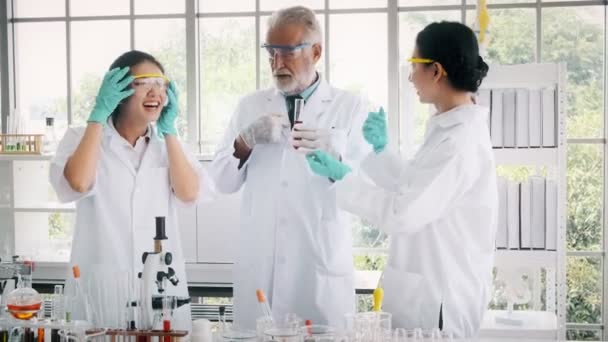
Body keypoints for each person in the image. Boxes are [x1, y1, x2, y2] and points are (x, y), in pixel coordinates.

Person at [306, 21, 497, 337]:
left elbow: (403, 213)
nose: (410, 76)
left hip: (439, 303)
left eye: (414, 65)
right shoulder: (447, 128)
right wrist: (380, 152)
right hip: (423, 292)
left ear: (436, 71)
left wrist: (343, 178)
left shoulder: (459, 142)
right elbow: (415, 186)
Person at [209, 6, 371, 329]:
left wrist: (335, 154)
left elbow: (368, 187)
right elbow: (220, 180)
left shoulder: (350, 108)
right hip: (260, 271)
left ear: (316, 51)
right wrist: (245, 142)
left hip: (317, 271)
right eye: (271, 52)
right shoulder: (250, 106)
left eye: (288, 52)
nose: (277, 63)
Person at [50, 50, 212, 331]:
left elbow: (188, 193)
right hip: (101, 284)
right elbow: (78, 182)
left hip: (162, 287)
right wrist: (97, 116)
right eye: (144, 83)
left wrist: (170, 131)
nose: (156, 92)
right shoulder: (82, 137)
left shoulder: (168, 144)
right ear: (119, 88)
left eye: (161, 84)